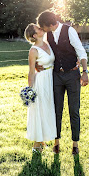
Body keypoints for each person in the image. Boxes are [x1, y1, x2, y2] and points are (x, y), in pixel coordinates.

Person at [36, 10, 89, 155]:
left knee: (74, 110)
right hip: (56, 77)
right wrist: (35, 64)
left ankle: (75, 144)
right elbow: (42, 51)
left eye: (43, 26)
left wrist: (85, 72)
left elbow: (81, 51)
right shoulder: (47, 35)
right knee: (56, 110)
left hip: (72, 75)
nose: (42, 29)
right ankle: (56, 142)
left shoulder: (69, 31)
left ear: (49, 24)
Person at [24, 23, 57, 152]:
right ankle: (36, 145)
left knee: (48, 109)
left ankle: (43, 139)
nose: (41, 28)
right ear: (34, 35)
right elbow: (31, 72)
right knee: (40, 110)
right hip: (41, 82)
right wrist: (30, 90)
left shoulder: (47, 42)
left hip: (51, 79)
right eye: (38, 28)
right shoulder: (33, 50)